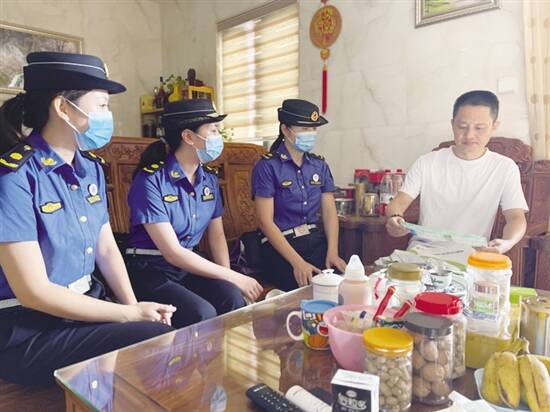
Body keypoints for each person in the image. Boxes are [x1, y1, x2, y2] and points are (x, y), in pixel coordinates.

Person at [0, 52, 175, 386]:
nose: (107, 116)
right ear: (63, 108)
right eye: (102, 106)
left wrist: (134, 308)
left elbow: (106, 249)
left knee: (158, 332)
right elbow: (33, 292)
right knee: (153, 342)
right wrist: (127, 315)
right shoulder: (15, 177)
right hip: (30, 329)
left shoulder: (90, 168)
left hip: (85, 309)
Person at [126, 99, 263, 328]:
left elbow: (217, 236)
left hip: (188, 265)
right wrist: (234, 277)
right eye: (213, 130)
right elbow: (172, 253)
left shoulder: (208, 179)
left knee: (231, 298)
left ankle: (223, 352)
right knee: (201, 313)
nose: (219, 137)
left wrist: (228, 279)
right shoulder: (150, 181)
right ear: (189, 137)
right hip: (150, 267)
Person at [386, 90, 528, 254]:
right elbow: (399, 202)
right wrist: (394, 219)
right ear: (453, 124)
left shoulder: (504, 167)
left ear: (494, 126)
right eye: (462, 127)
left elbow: (516, 217)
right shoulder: (427, 162)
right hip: (423, 250)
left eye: (479, 128)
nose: (469, 135)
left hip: (472, 254)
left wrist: (507, 242)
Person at [252, 99, 346, 291]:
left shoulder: (319, 165)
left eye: (313, 129)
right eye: (304, 129)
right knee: (308, 287)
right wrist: (298, 263)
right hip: (280, 247)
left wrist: (333, 252)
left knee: (342, 282)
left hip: (314, 240)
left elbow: (329, 213)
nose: (311, 134)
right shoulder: (267, 166)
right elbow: (265, 222)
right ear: (286, 130)